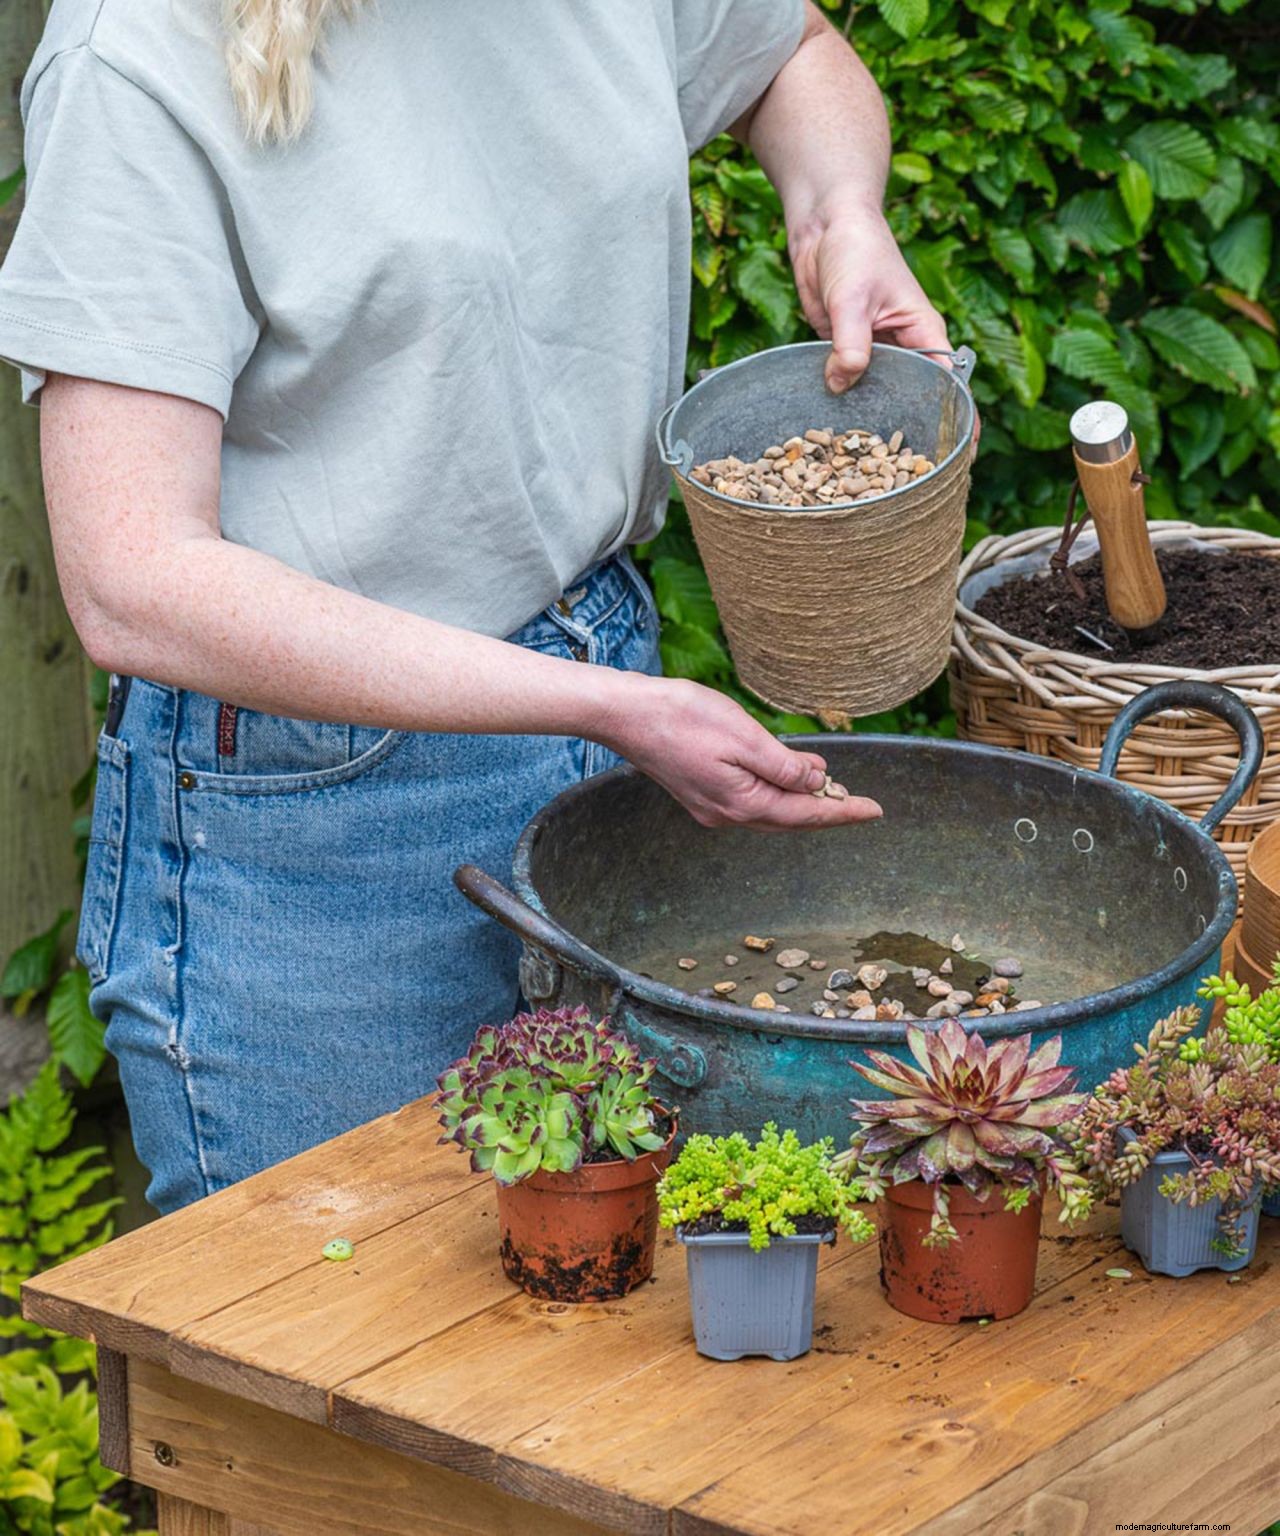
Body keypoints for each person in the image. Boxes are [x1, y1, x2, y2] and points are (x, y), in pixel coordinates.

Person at [0, 0, 951, 1214]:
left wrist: (838, 213)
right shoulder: (129, 58)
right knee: (327, 1336)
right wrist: (608, 705)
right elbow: (136, 581)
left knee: (612, 1323)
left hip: (598, 693)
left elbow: (792, 54)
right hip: (319, 822)